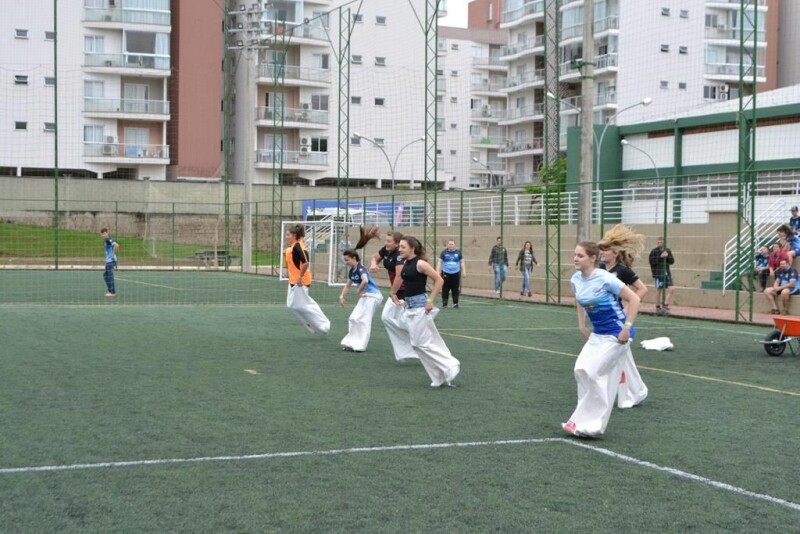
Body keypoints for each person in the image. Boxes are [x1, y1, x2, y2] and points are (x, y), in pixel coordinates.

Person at [563, 241, 641, 438]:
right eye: (574, 254)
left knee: (595, 372)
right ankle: (580, 421)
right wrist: (581, 325)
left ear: (592, 258)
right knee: (581, 370)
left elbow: (635, 299)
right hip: (597, 334)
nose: (575, 258)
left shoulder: (605, 278)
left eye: (580, 256)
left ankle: (595, 425)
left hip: (616, 334)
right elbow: (579, 301)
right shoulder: (576, 279)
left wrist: (627, 328)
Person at [390, 236, 460, 387]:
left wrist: (431, 301)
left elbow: (439, 280)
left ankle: (450, 364)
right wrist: (393, 293)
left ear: (412, 249)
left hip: (421, 307)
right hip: (410, 308)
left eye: (403, 247)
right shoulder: (405, 263)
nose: (400, 249)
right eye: (399, 247)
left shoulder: (420, 263)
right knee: (417, 344)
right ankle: (438, 377)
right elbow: (400, 280)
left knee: (421, 343)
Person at [598, 225, 648, 409]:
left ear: (615, 253)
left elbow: (642, 289)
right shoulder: (601, 269)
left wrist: (628, 306)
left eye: (605, 251)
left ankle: (633, 392)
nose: (602, 254)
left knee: (617, 357)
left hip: (618, 318)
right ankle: (633, 391)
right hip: (606, 317)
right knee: (622, 359)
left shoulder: (623, 270)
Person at [369, 232, 418, 362]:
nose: (386, 243)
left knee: (396, 319)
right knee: (387, 318)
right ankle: (407, 349)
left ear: (397, 244)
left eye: (389, 241)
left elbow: (399, 276)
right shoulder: (386, 251)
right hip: (396, 292)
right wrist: (374, 263)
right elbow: (375, 257)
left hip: (403, 292)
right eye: (386, 240)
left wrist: (392, 293)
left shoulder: (399, 256)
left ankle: (416, 344)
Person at [338, 228, 383, 352]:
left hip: (373, 296)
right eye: (344, 260)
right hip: (366, 296)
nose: (345, 262)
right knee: (353, 318)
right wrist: (342, 296)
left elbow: (365, 281)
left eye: (347, 260)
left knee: (364, 320)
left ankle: (360, 345)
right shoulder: (352, 271)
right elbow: (347, 285)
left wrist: (359, 291)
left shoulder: (361, 268)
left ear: (354, 258)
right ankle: (351, 342)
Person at [284, 224, 330, 335]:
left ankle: (324, 324)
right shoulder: (291, 248)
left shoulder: (299, 246)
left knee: (304, 305)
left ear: (294, 235)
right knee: (292, 305)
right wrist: (288, 273)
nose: (286, 237)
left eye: (288, 235)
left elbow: (306, 263)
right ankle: (315, 326)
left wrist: (300, 277)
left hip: (301, 281)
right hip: (293, 281)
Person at [648, 237, 675, 315]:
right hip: (659, 273)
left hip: (667, 272)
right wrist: (660, 257)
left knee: (672, 289)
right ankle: (657, 307)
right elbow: (652, 262)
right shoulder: (654, 251)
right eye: (658, 242)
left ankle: (665, 306)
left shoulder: (668, 250)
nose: (660, 243)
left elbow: (672, 261)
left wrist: (668, 256)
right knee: (659, 290)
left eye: (661, 242)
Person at [437, 239, 465, 308]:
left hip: (456, 273)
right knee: (445, 288)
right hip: (446, 272)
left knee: (455, 288)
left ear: (455, 245)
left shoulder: (458, 253)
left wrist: (464, 271)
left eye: (452, 244)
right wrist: (438, 271)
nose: (451, 245)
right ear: (447, 245)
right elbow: (440, 262)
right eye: (449, 244)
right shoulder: (444, 252)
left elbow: (462, 262)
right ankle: (444, 303)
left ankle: (455, 303)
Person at [100, 227, 119, 297]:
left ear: (106, 233)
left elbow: (117, 245)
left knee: (109, 276)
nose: (103, 235)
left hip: (111, 261)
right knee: (105, 276)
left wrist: (113, 256)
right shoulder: (106, 240)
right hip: (109, 261)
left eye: (104, 233)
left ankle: (112, 292)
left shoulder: (108, 240)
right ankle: (110, 290)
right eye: (102, 234)